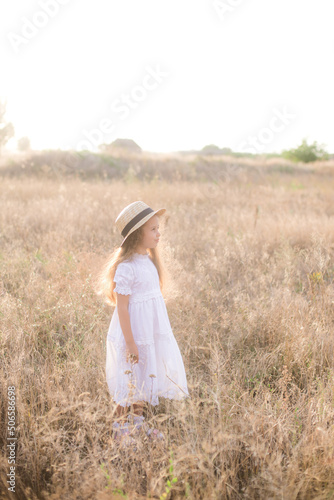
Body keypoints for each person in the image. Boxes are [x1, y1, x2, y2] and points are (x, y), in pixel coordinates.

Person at [97, 201, 189, 445]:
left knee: (145, 377)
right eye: (153, 229)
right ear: (138, 234)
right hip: (133, 335)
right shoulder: (126, 268)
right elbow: (123, 307)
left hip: (150, 333)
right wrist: (130, 343)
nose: (159, 234)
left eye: (158, 228)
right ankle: (119, 430)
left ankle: (137, 424)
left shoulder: (149, 261)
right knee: (129, 381)